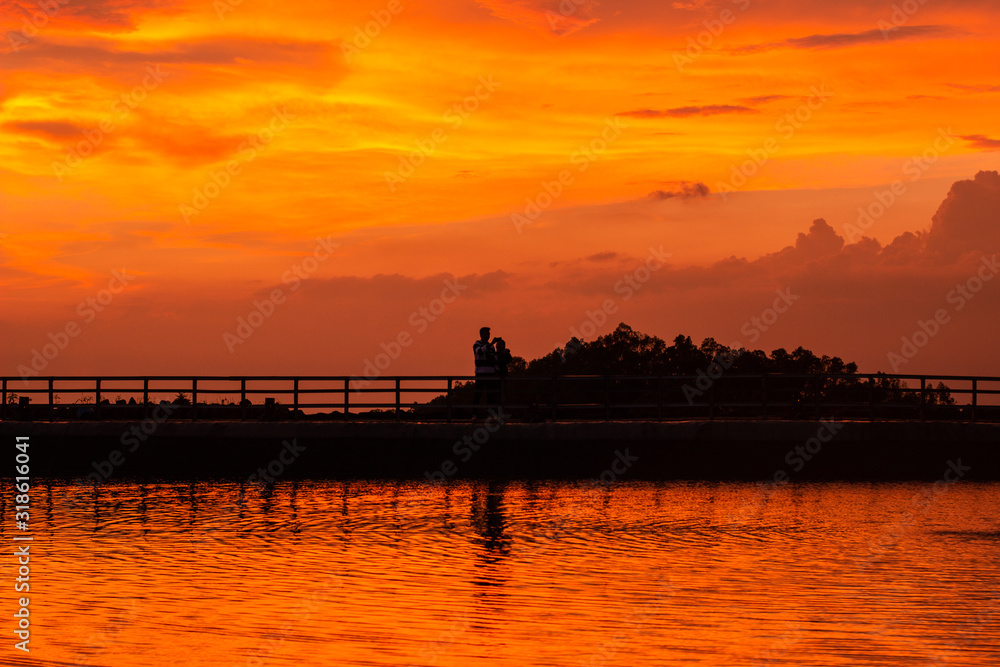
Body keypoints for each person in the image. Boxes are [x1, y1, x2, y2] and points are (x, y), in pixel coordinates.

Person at [473, 326, 498, 416]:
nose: (488, 335)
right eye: (487, 333)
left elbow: (494, 358)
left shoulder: (491, 347)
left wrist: (496, 370)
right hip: (480, 373)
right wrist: (491, 344)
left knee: (490, 395)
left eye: (489, 333)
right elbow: (480, 352)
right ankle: (474, 413)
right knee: (478, 394)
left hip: (490, 373)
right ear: (481, 334)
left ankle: (489, 414)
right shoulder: (477, 344)